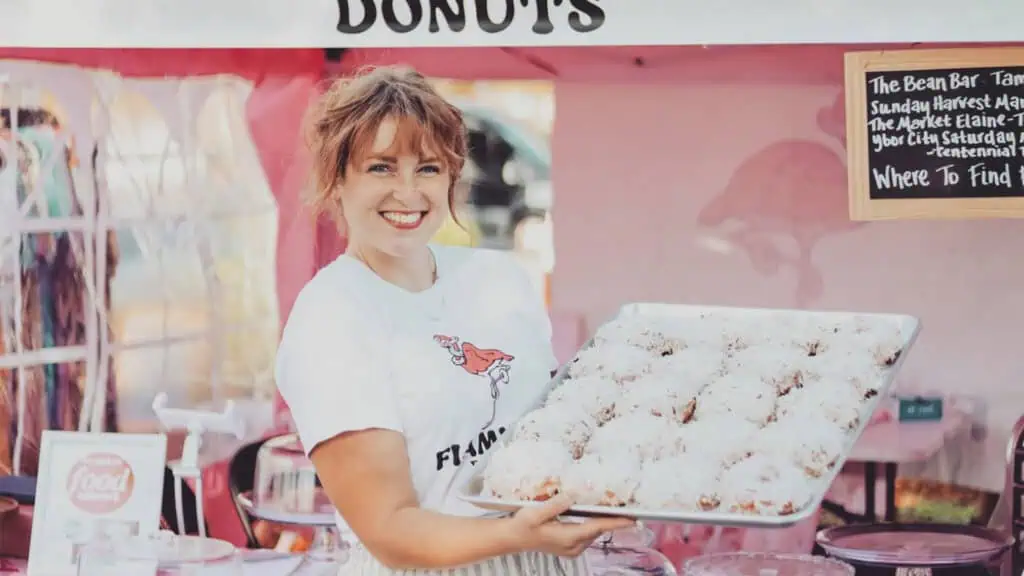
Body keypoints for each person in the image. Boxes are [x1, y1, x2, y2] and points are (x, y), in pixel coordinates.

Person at [275, 66, 633, 575]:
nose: (409, 193)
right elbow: (391, 530)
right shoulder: (332, 319)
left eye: (428, 168)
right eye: (381, 168)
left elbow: (548, 432)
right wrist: (512, 534)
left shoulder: (499, 278)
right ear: (337, 179)